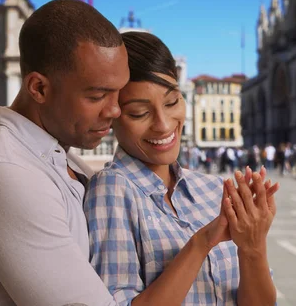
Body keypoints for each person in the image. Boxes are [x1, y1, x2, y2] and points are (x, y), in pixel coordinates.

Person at [0, 0, 130, 306]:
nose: (115, 110)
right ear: (38, 88)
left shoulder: (57, 158)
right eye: (97, 95)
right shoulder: (4, 173)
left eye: (119, 93)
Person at [84, 32, 278, 306]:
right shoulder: (112, 190)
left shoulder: (212, 189)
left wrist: (253, 247)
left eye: (172, 102)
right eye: (140, 113)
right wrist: (201, 243)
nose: (163, 124)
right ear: (112, 115)